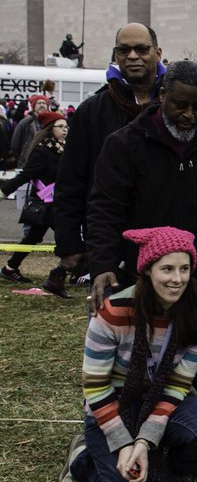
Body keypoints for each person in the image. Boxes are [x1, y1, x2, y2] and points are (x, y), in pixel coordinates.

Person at [85, 61, 197, 406]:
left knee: (196, 365)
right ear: (161, 98)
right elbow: (104, 210)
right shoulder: (124, 144)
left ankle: (196, 443)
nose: (190, 115)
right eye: (181, 105)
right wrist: (102, 265)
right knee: (133, 365)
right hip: (138, 278)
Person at [57, 226, 197, 482]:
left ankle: (183, 470)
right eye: (166, 269)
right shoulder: (113, 312)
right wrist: (123, 443)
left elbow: (179, 382)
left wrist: (144, 440)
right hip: (112, 407)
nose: (176, 279)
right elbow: (96, 386)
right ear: (147, 270)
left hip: (162, 400)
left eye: (184, 268)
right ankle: (85, 460)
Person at [55, 23, 166, 295]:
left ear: (158, 53)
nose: (132, 56)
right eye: (123, 50)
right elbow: (71, 182)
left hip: (167, 246)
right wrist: (69, 244)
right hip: (109, 247)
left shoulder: (176, 107)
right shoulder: (91, 111)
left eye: (141, 49)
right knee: (113, 332)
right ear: (115, 56)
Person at [0, 111, 70, 291]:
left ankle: (10, 268)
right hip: (47, 205)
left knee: (32, 237)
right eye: (60, 127)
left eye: (66, 126)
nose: (65, 129)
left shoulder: (62, 148)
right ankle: (71, 273)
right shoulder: (42, 151)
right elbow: (25, 175)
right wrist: (4, 190)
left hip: (56, 203)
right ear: (49, 129)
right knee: (69, 238)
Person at [10, 94, 50, 169]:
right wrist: (22, 158)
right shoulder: (25, 122)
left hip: (45, 165)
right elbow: (15, 145)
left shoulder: (50, 123)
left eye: (44, 103)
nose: (42, 105)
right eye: (39, 103)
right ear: (33, 107)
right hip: (27, 164)